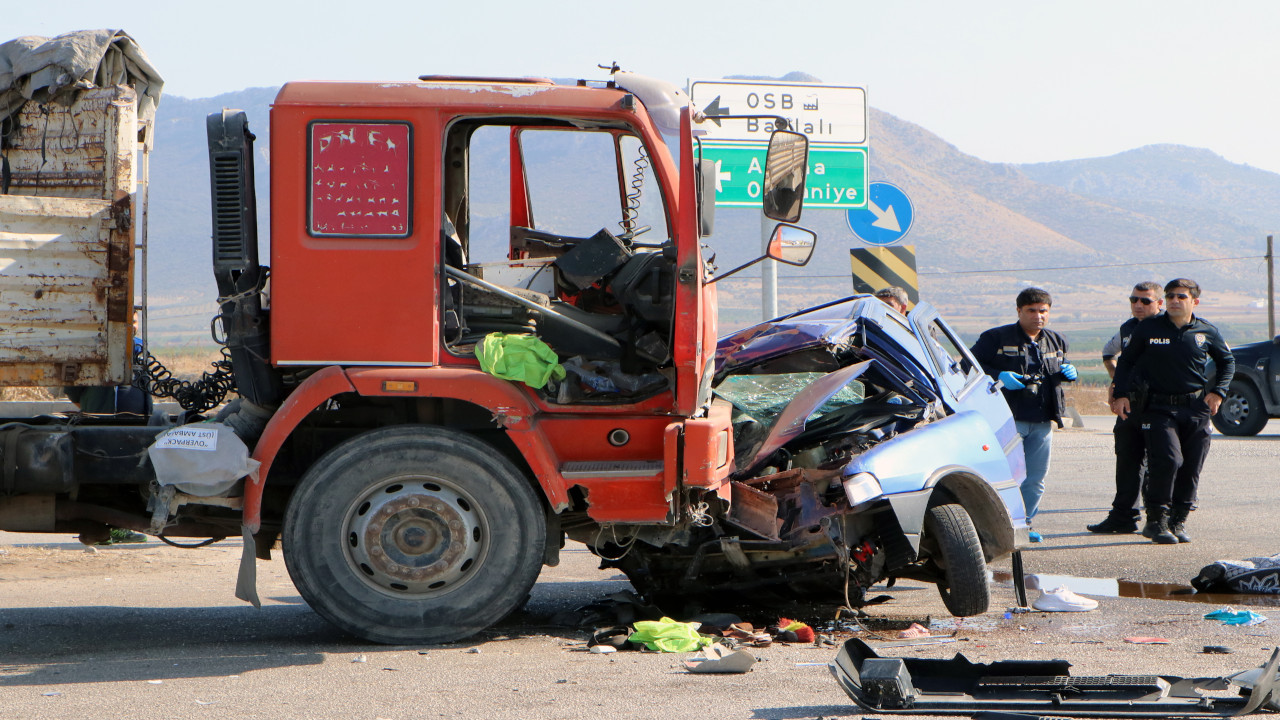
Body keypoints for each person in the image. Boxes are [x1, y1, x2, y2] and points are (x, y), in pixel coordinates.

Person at [1112, 278, 1233, 545]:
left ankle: (1178, 521)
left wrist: (1218, 392)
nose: (1174, 301)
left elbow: (1227, 361)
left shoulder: (1206, 331)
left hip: (1195, 408)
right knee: (1168, 460)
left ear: (1194, 301)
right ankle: (1156, 521)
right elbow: (1127, 361)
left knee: (1191, 466)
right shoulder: (1149, 329)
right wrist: (1120, 394)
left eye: (1181, 297)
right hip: (1157, 408)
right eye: (1169, 297)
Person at [970, 287, 1077, 542]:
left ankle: (1024, 525)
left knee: (1035, 479)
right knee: (1005, 477)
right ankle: (995, 527)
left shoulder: (1056, 340)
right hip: (1007, 418)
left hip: (1042, 419)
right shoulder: (995, 338)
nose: (1038, 316)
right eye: (1031, 311)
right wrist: (998, 376)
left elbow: (1056, 370)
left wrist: (1067, 373)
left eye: (1043, 311)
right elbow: (968, 366)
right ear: (1019, 311)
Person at [1086, 281, 1163, 534]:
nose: (1138, 305)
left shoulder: (1170, 326)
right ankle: (1123, 517)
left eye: (1145, 301)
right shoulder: (1127, 329)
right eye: (1134, 300)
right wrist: (1116, 382)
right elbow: (1109, 353)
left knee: (1159, 463)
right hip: (1129, 404)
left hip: (1160, 405)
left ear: (1159, 303)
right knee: (1128, 461)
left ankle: (1158, 518)